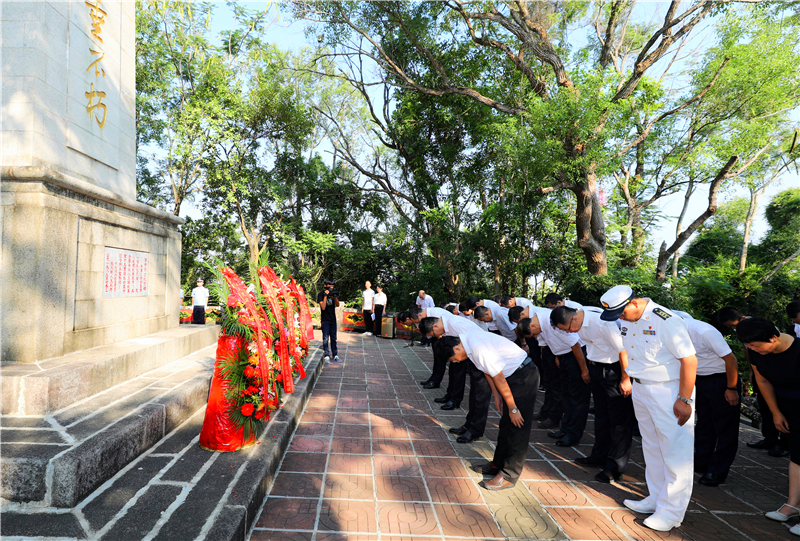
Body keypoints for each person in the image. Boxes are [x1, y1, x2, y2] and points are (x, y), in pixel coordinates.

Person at [600, 285, 698, 532]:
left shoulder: (666, 320)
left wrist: (684, 399)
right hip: (642, 388)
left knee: (675, 450)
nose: (620, 318)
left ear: (634, 303)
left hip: (669, 391)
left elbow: (689, 360)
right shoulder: (627, 318)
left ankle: (672, 512)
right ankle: (656, 498)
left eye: (622, 313)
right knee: (652, 445)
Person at [441, 331, 539, 491]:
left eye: (454, 359)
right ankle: (498, 464)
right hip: (512, 376)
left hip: (524, 376)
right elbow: (487, 371)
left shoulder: (477, 348)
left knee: (518, 426)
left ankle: (509, 474)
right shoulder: (468, 345)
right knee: (506, 424)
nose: (457, 362)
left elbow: (498, 376)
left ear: (456, 349)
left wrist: (513, 408)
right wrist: (497, 396)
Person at [551, 305, 634, 483]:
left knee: (618, 421)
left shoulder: (603, 323)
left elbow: (623, 351)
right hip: (596, 369)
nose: (567, 333)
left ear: (573, 319)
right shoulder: (580, 326)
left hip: (614, 372)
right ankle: (599, 456)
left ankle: (615, 467)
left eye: (566, 329)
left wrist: (626, 378)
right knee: (601, 417)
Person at [736, 317, 800, 535]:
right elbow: (762, 380)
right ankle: (793, 505)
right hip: (786, 405)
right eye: (749, 346)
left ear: (773, 337)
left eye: (756, 346)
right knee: (797, 456)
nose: (753, 350)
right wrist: (775, 412)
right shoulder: (757, 350)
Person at [719, 306, 788, 457]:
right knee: (765, 406)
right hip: (761, 373)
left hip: (777, 375)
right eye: (730, 326)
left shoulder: (764, 329)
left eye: (734, 325)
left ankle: (784, 444)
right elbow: (747, 351)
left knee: (783, 408)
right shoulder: (743, 334)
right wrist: (752, 370)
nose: (733, 328)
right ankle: (769, 438)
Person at [681, 314, 740, 487]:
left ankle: (717, 471)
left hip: (721, 380)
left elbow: (731, 360)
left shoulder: (704, 331)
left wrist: (731, 388)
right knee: (704, 423)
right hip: (699, 379)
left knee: (725, 428)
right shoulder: (674, 330)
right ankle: (701, 462)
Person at [419, 314, 492, 443]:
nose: (437, 336)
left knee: (479, 395)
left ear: (435, 326)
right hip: (468, 354)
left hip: (480, 356)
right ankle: (468, 425)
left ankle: (474, 430)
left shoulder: (456, 325)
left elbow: (475, 341)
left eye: (434, 333)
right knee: (473, 394)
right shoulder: (447, 325)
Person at [510, 305, 564, 430]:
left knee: (556, 386)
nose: (534, 337)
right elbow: (544, 339)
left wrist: (557, 355)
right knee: (549, 383)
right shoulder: (536, 320)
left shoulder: (547, 319)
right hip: (549, 351)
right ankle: (545, 412)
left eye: (532, 335)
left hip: (558, 352)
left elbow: (572, 342)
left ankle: (554, 417)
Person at [398, 306, 453, 389]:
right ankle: (433, 379)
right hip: (436, 336)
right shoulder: (419, 317)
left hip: (444, 337)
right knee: (437, 359)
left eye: (405, 323)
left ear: (409, 319)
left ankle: (435, 381)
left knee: (440, 361)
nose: (406, 325)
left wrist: (440, 337)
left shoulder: (436, 313)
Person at [317, 278, 341, 364]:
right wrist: (325, 296)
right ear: (325, 286)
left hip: (333, 320)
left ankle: (335, 354)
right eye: (329, 287)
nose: (331, 288)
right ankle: (326, 355)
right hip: (325, 320)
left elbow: (338, 305)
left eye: (332, 286)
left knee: (334, 338)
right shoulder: (320, 294)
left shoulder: (334, 293)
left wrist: (334, 298)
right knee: (325, 338)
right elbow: (323, 307)